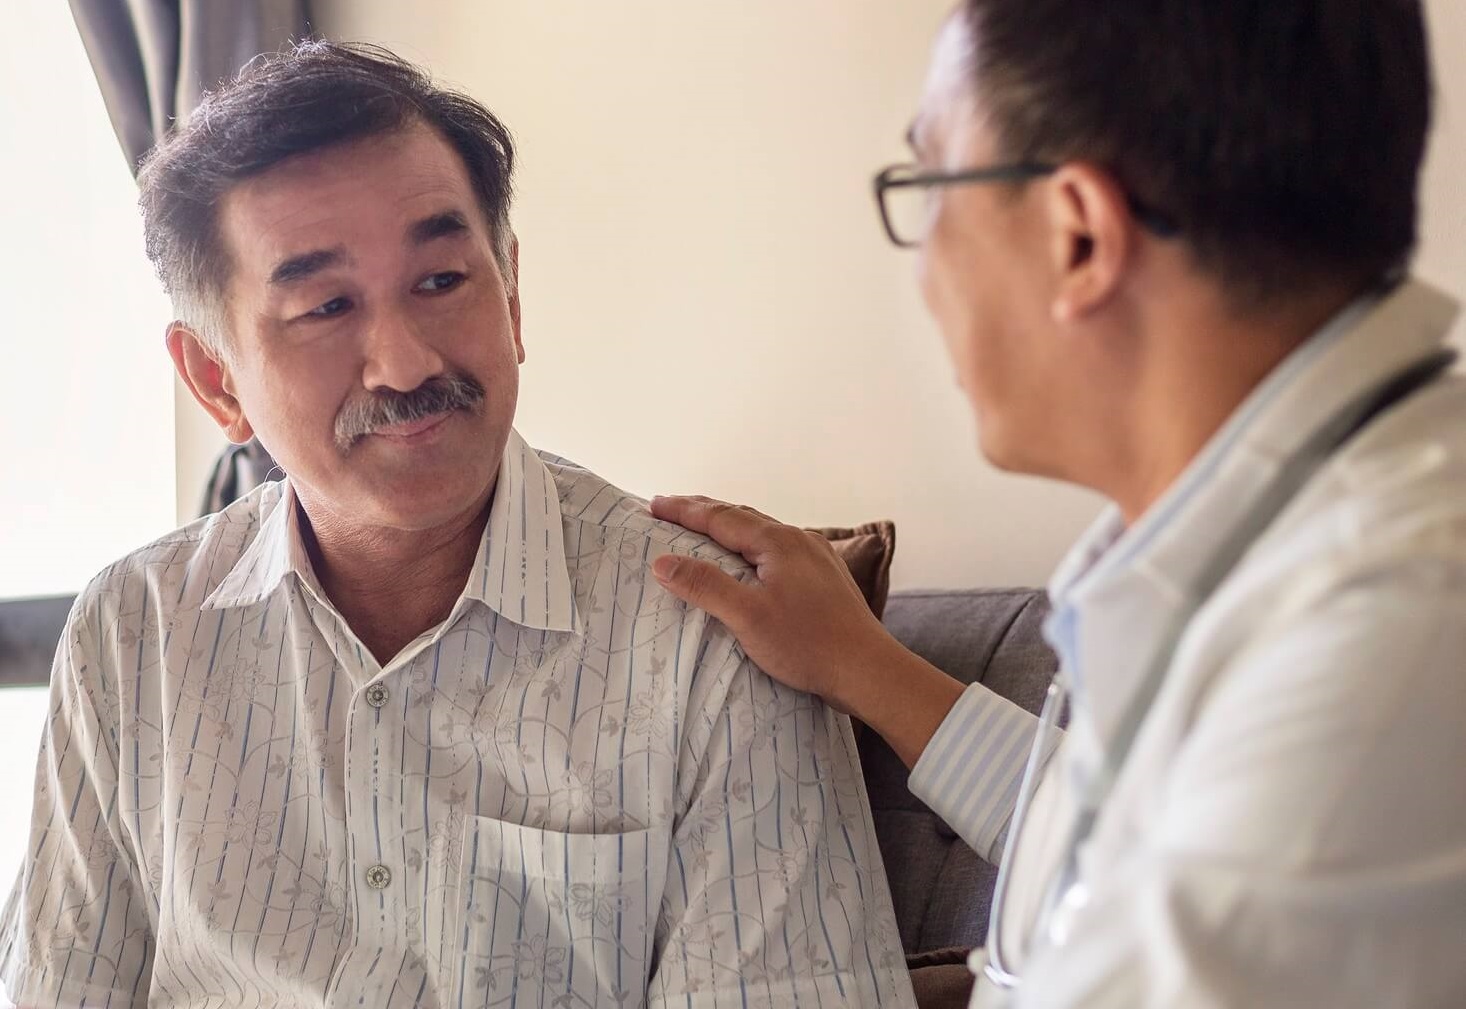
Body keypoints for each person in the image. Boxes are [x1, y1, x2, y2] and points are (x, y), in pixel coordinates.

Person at [0, 42, 912, 1009]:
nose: (402, 365)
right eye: (325, 306)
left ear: (511, 295)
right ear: (216, 380)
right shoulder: (132, 633)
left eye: (441, 281)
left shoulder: (711, 636)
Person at [650, 2, 1466, 1006]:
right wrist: (858, 664)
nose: (923, 274)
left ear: (1077, 235)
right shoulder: (1275, 547)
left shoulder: (1380, 643)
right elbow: (1103, 843)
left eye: (931, 187)